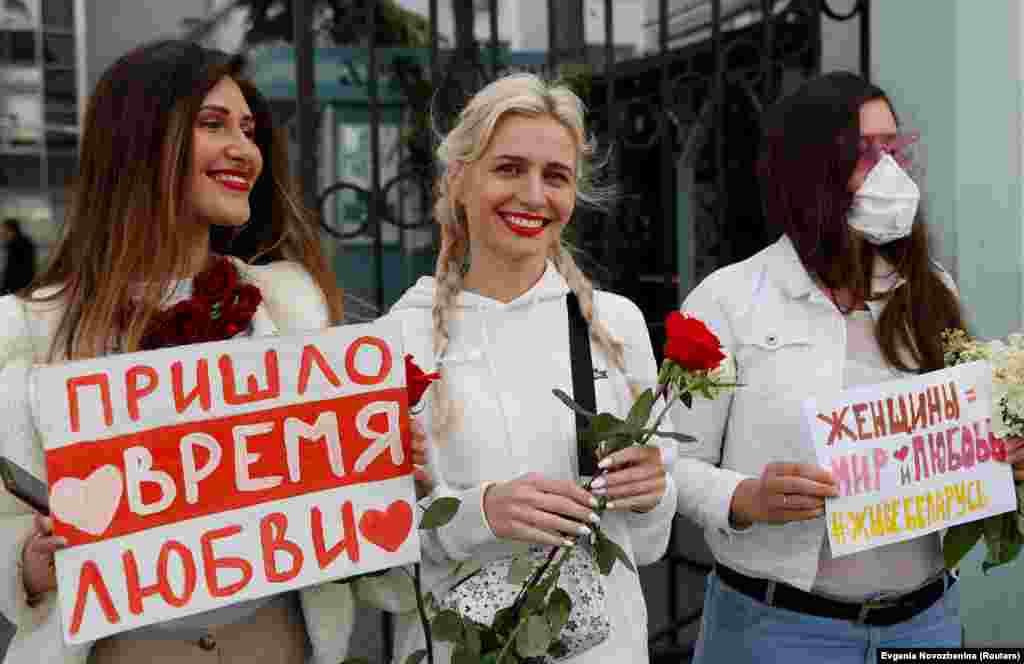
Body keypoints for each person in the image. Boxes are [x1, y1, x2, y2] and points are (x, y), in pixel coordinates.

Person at [0, 39, 361, 664]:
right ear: (139, 140)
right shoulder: (27, 329)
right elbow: (9, 519)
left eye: (248, 129)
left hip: (275, 642)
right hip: (122, 649)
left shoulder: (291, 307)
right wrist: (28, 565)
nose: (244, 150)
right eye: (213, 124)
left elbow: (336, 500)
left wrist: (376, 461)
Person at [669, 72, 990, 662]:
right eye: (864, 153)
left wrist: (1001, 453)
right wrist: (746, 496)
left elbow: (961, 435)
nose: (889, 170)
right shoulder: (729, 299)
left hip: (925, 625)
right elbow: (671, 463)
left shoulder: (930, 288)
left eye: (893, 148)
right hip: (775, 629)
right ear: (812, 165)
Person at [360, 72, 677, 663]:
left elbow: (651, 545)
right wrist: (480, 513)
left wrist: (653, 492)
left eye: (555, 176)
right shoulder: (396, 341)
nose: (533, 196)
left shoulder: (614, 325)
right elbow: (377, 564)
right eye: (508, 169)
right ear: (459, 179)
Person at [1, 218, 35, 295]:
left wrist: (4, 289)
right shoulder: (23, 242)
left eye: (3, 230)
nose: (1, 233)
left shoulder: (16, 245)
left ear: (10, 230)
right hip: (24, 286)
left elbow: (12, 269)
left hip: (18, 287)